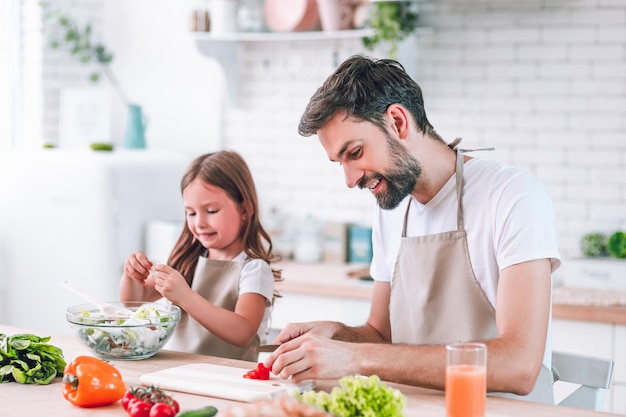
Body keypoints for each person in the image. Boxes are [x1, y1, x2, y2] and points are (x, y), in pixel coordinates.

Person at [264, 55, 561, 403]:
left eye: (355, 152)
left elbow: (519, 364)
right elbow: (381, 335)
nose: (350, 179)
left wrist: (354, 358)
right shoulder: (392, 209)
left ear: (398, 121)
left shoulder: (512, 196)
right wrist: (337, 337)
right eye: (340, 163)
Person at [120, 150, 281, 361]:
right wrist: (131, 275)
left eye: (211, 211)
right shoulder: (187, 260)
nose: (199, 223)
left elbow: (242, 332)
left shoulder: (254, 269)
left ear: (246, 209)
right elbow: (134, 300)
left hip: (229, 380)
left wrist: (185, 296)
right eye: (191, 213)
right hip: (177, 372)